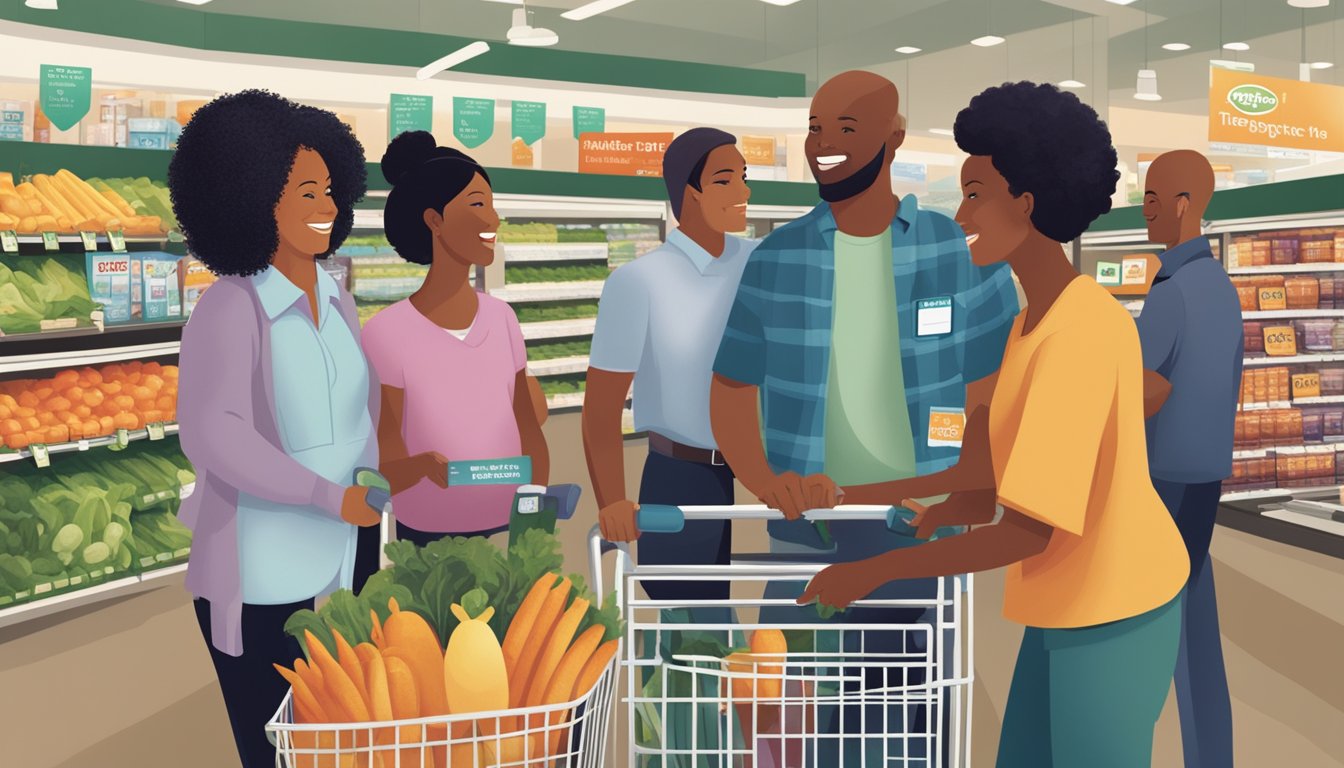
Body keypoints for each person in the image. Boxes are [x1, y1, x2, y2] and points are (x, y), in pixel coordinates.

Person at [799, 82, 1191, 767]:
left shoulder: (1082, 331)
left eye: (975, 193)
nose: (960, 213)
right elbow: (984, 481)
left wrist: (874, 574)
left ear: (1027, 203)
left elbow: (1026, 526)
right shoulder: (1025, 326)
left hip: (1117, 604)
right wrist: (861, 495)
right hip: (1062, 597)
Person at [709, 69, 1019, 763]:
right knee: (786, 724)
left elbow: (994, 379)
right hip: (804, 532)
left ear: (894, 139)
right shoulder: (778, 257)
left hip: (921, 528)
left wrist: (965, 476)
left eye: (847, 129)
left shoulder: (953, 250)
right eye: (816, 128)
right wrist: (764, 480)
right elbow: (730, 384)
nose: (825, 144)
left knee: (916, 719)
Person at [171, 90, 382, 768]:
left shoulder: (337, 298)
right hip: (262, 575)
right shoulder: (229, 309)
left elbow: (359, 409)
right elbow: (215, 435)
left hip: (347, 560)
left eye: (330, 191)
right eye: (306, 191)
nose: (327, 208)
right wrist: (327, 495)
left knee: (343, 739)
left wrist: (373, 483)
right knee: (278, 749)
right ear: (252, 195)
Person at [585, 127, 754, 602]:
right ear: (689, 193)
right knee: (688, 622)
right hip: (682, 475)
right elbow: (600, 409)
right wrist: (612, 500)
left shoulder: (759, 261)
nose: (744, 192)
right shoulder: (639, 282)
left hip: (762, 470)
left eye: (744, 177)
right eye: (725, 180)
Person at [362, 131, 549, 547]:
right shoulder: (385, 333)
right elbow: (380, 464)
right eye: (478, 205)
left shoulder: (502, 319)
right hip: (428, 539)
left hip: (510, 530)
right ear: (434, 221)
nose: (493, 220)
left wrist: (536, 512)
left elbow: (529, 429)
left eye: (492, 204)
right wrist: (422, 467)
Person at [1138, 150, 1242, 768]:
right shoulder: (1223, 288)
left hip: (1163, 481)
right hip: (1205, 476)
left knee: (1146, 633)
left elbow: (1137, 388)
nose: (1145, 209)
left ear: (1183, 204)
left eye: (1154, 198)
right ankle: (1212, 756)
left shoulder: (1171, 292)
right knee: (1196, 629)